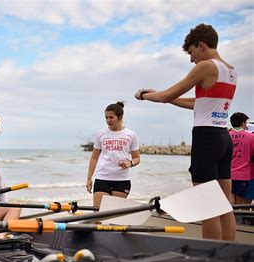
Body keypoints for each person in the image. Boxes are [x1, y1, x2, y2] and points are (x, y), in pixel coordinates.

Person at [134, 23, 237, 241]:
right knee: (225, 204)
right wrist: (167, 97)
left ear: (201, 46)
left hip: (206, 138)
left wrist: (144, 95)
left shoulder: (206, 66)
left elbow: (164, 96)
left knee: (207, 205)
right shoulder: (230, 70)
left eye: (191, 53)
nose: (191, 59)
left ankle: (211, 255)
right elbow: (198, 103)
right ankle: (230, 254)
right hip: (223, 138)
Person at [86, 101, 140, 208]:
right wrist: (89, 178)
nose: (108, 120)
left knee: (114, 217)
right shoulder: (100, 134)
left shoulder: (131, 135)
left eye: (111, 117)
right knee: (98, 215)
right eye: (106, 117)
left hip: (122, 180)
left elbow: (137, 158)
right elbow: (94, 158)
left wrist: (130, 163)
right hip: (102, 178)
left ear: (120, 117)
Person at [229, 112, 254, 204]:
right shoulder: (251, 137)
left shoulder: (226, 135)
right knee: (240, 204)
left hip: (226, 175)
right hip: (242, 175)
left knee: (230, 203)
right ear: (243, 123)